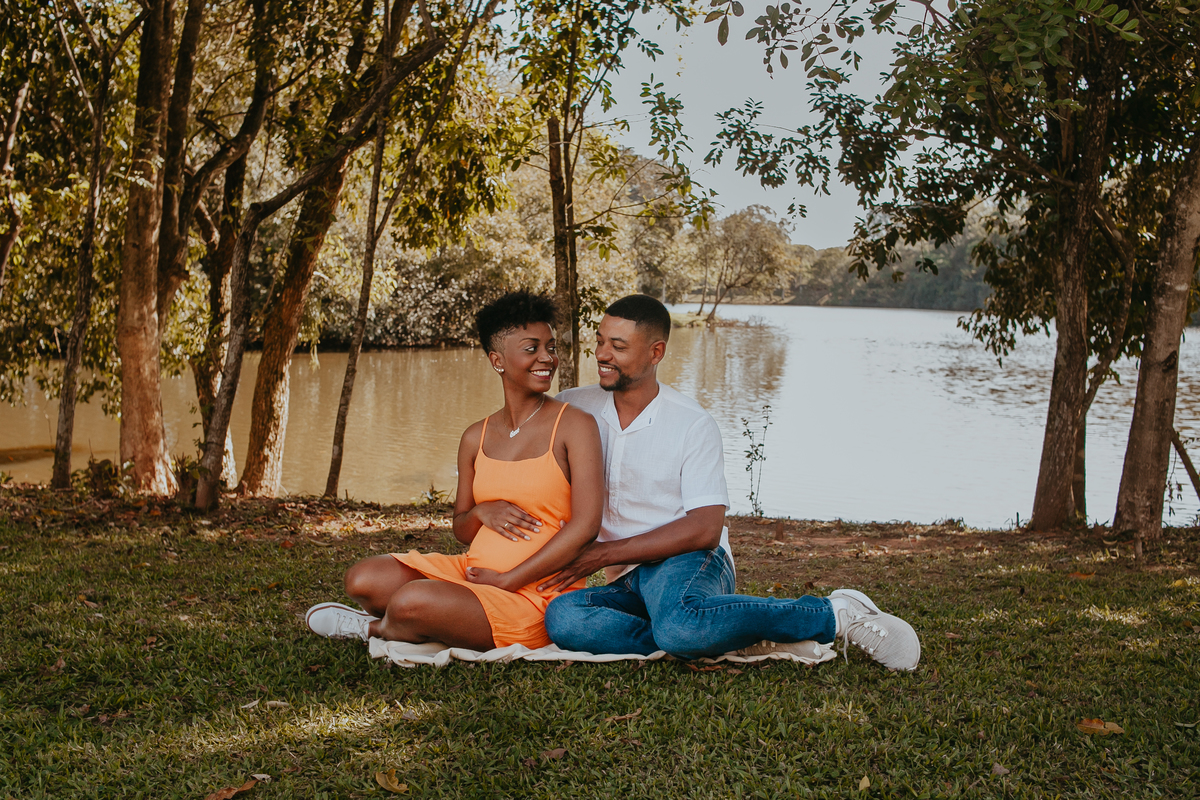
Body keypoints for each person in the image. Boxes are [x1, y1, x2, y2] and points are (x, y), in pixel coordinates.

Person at [542, 295, 921, 670]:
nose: (602, 354)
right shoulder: (573, 408)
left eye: (618, 346)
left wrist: (605, 554)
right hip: (628, 579)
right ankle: (730, 635)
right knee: (565, 618)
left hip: (689, 561)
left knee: (680, 625)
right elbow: (519, 459)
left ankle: (835, 613)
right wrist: (489, 507)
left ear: (655, 353)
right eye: (600, 341)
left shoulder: (691, 423)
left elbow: (705, 529)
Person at [305, 292, 603, 651]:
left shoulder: (574, 425)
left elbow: (586, 526)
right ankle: (421, 617)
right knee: (363, 579)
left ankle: (376, 629)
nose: (547, 358)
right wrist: (480, 511)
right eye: (532, 348)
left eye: (550, 347)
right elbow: (462, 529)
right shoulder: (475, 436)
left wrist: (509, 580)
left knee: (411, 601)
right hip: (471, 572)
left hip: (534, 596)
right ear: (498, 360)